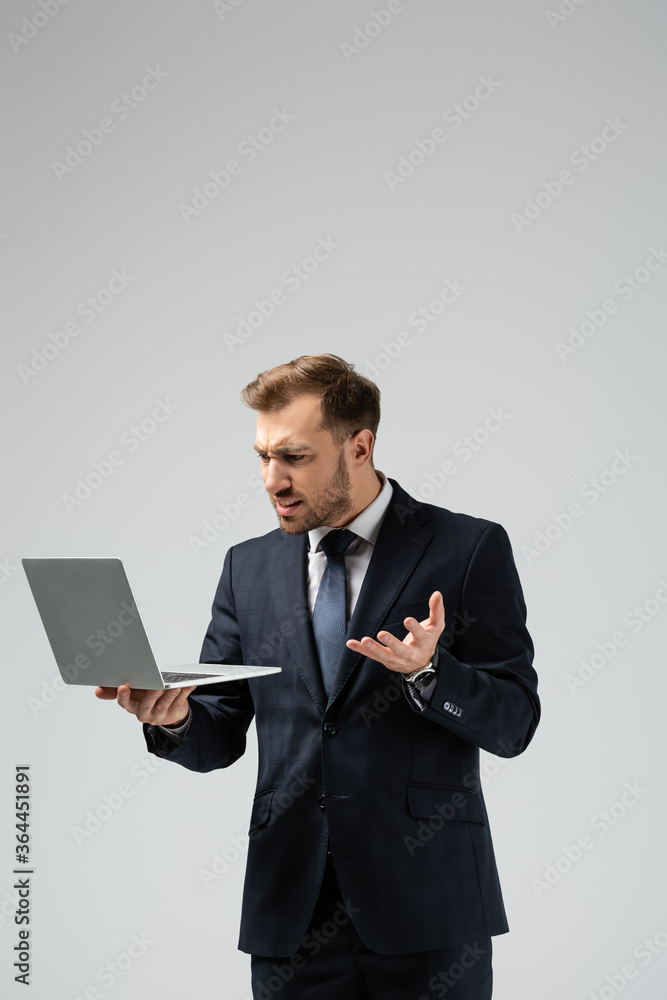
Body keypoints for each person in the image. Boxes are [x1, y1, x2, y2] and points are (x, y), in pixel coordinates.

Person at [96, 353, 540, 999]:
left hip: (428, 908)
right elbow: (218, 731)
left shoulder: (466, 549)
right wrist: (176, 720)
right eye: (262, 456)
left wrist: (431, 674)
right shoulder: (246, 568)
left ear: (358, 446)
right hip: (289, 913)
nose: (271, 479)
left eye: (294, 457)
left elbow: (514, 722)